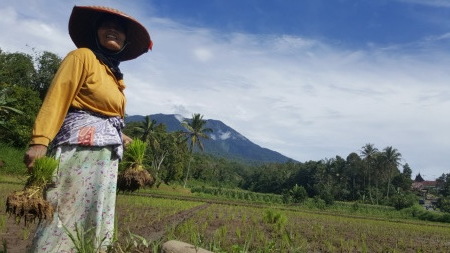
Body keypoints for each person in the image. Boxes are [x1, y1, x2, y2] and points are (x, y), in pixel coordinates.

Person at [23, 5, 152, 252]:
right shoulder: (82, 56)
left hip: (104, 157)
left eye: (120, 29)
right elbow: (58, 97)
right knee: (64, 210)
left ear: (125, 39)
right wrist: (40, 140)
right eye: (106, 25)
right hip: (79, 151)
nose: (113, 30)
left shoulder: (113, 73)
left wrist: (121, 136)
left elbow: (99, 113)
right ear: (96, 32)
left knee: (94, 213)